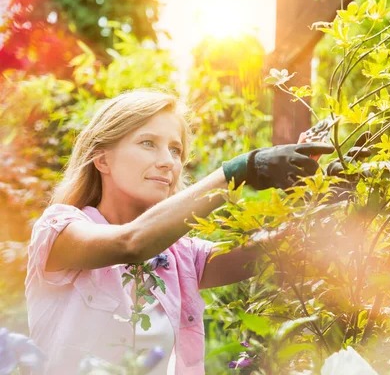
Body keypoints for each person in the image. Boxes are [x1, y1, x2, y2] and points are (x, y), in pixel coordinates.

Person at [24, 89, 335, 375]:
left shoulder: (178, 255)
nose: (167, 162)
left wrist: (317, 199)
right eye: (148, 143)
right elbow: (132, 242)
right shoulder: (58, 231)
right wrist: (238, 171)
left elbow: (268, 250)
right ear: (102, 159)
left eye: (175, 150)